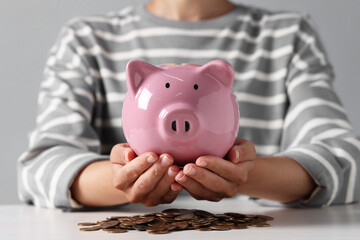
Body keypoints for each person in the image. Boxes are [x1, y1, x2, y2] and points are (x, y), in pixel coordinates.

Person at [18, 0, 360, 209]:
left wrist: (247, 176)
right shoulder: (86, 40)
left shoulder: (289, 35)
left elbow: (346, 161)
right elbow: (39, 169)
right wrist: (122, 180)